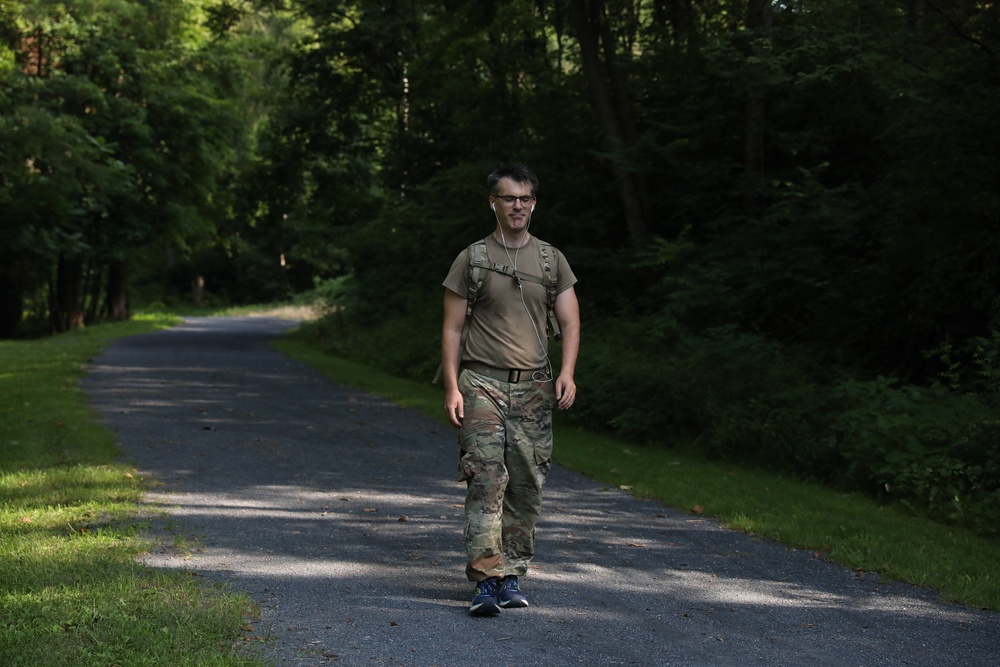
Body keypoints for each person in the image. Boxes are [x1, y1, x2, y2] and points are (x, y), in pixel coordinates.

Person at [440, 161, 580, 616]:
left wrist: (567, 372)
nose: (516, 205)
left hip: (535, 390)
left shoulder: (550, 260)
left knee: (525, 484)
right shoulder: (473, 259)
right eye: (508, 198)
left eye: (524, 198)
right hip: (480, 383)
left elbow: (570, 321)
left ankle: (512, 574)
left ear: (533, 204)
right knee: (485, 479)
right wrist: (451, 387)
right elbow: (452, 329)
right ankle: (486, 579)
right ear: (493, 203)